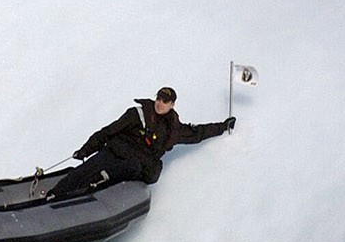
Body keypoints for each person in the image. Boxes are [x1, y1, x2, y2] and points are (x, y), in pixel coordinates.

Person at [45, 86, 233, 201]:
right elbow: (109, 131)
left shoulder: (173, 129)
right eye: (158, 98)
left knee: (138, 168)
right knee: (85, 170)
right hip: (116, 152)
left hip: (135, 164)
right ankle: (54, 194)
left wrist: (223, 127)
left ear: (172, 105)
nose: (160, 103)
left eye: (165, 101)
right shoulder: (137, 114)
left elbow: (198, 133)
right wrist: (86, 150)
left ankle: (101, 183)